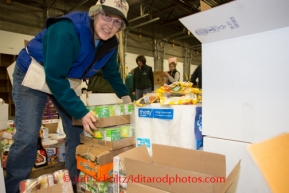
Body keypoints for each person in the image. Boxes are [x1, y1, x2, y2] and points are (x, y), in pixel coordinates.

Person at [5, 0, 131, 193]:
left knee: (77, 133)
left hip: (64, 80)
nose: (110, 26)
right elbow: (54, 76)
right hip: (35, 73)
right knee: (28, 135)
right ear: (94, 13)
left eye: (117, 23)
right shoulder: (67, 29)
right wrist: (81, 111)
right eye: (107, 17)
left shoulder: (111, 44)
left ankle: (73, 182)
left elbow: (111, 73)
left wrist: (126, 99)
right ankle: (13, 187)